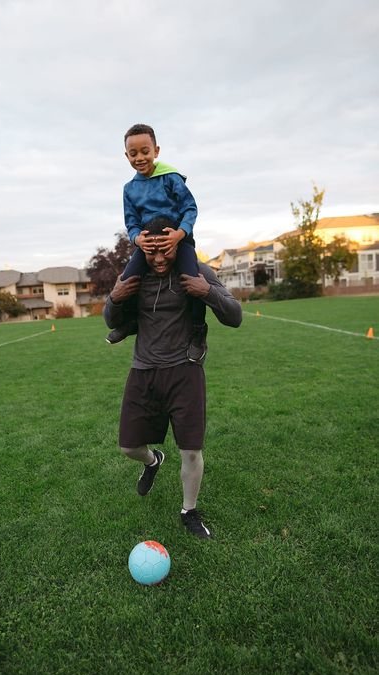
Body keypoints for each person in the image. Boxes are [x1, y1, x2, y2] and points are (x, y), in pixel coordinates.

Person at [104, 216, 242, 539]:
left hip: (185, 370)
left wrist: (206, 290)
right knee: (128, 447)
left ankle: (189, 511)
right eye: (151, 252)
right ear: (143, 248)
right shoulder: (135, 276)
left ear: (176, 244)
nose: (160, 258)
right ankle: (153, 461)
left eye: (165, 250)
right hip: (144, 371)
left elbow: (235, 316)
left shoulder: (196, 272)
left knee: (191, 450)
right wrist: (116, 295)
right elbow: (108, 318)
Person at [106, 123, 208, 362]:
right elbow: (131, 223)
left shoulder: (170, 178)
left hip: (178, 242)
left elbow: (190, 209)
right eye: (133, 154)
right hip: (148, 246)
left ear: (156, 151)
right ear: (126, 156)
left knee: (192, 282)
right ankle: (131, 321)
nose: (140, 158)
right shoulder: (129, 189)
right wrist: (137, 238)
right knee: (128, 279)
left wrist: (179, 234)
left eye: (145, 151)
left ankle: (198, 331)